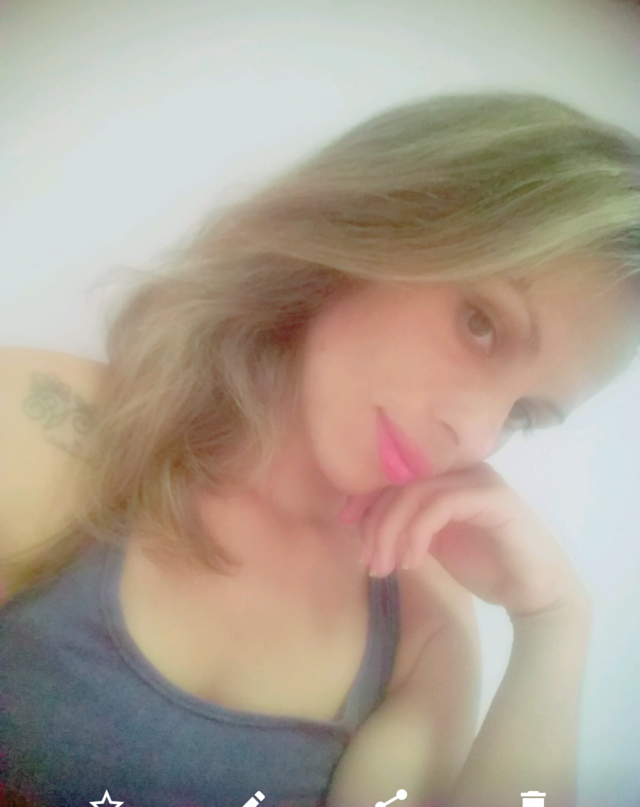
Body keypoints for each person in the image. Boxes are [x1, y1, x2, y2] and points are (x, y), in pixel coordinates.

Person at [1, 90, 640, 807]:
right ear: (373, 226)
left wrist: (554, 625)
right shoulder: (42, 424)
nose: (477, 434)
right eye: (482, 324)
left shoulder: (421, 629)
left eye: (524, 414)